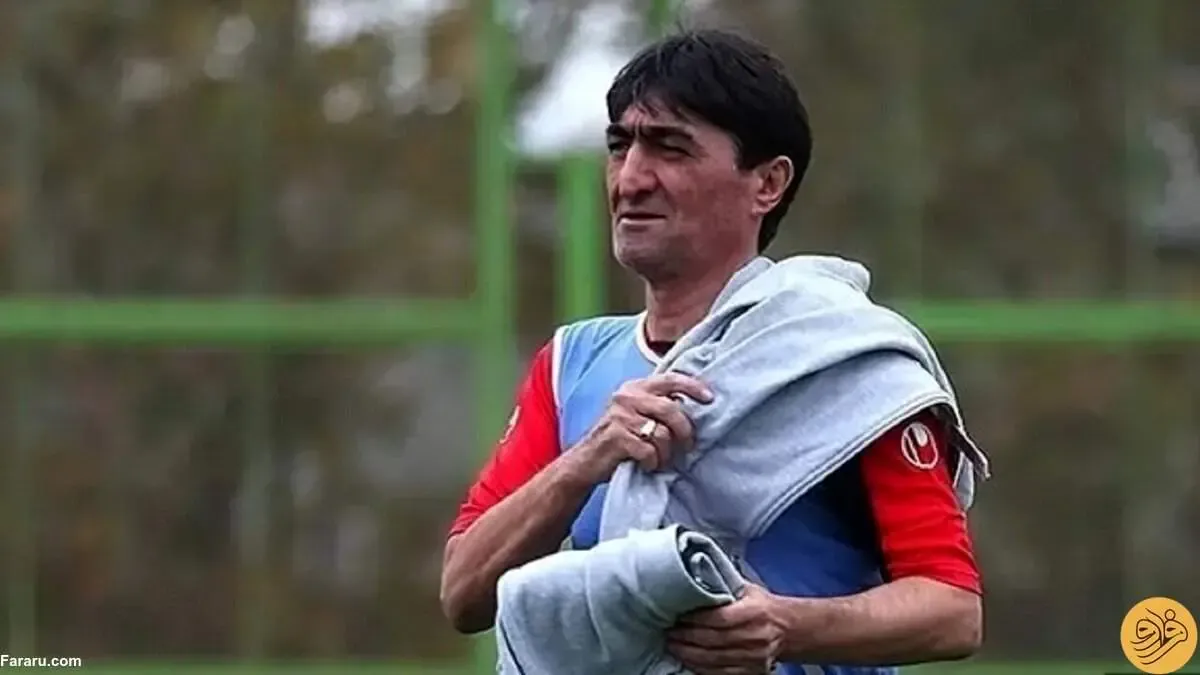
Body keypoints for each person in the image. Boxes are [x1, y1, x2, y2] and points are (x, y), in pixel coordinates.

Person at [440, 28, 983, 675]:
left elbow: (952, 609)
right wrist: (586, 461)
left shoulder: (845, 361)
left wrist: (787, 624)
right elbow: (464, 592)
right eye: (619, 146)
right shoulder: (571, 365)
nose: (631, 178)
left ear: (768, 183)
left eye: (670, 148)